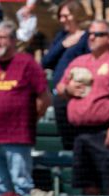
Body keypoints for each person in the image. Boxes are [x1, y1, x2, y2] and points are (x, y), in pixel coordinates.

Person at [58, 20, 109, 196]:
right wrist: (67, 89)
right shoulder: (79, 61)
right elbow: (60, 88)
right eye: (90, 34)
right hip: (79, 133)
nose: (92, 37)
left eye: (98, 34)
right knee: (87, 185)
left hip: (105, 132)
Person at [0, 22, 50, 196]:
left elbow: (44, 97)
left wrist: (32, 118)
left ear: (13, 41)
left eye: (2, 38)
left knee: (21, 183)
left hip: (18, 134)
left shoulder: (27, 63)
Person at [42, 0, 91, 151]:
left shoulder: (88, 37)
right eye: (60, 16)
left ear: (76, 15)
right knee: (67, 139)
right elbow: (45, 62)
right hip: (60, 94)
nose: (62, 20)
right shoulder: (61, 36)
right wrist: (63, 45)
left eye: (66, 16)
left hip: (79, 94)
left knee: (81, 137)